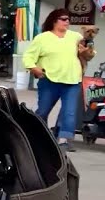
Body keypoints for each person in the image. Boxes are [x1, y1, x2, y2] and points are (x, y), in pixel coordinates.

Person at [23, 8, 84, 150]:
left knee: (69, 111)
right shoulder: (42, 38)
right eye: (63, 19)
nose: (67, 22)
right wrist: (34, 68)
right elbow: (28, 56)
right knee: (43, 110)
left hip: (72, 80)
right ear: (54, 20)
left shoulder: (75, 36)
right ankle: (36, 134)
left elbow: (87, 52)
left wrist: (88, 52)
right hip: (49, 80)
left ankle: (63, 139)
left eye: (68, 19)